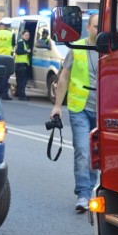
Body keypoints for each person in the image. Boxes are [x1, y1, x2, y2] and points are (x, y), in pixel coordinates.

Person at [51, 12, 99, 212]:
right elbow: (63, 78)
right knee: (82, 150)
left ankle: (92, 188)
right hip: (79, 108)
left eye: (102, 26)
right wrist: (56, 106)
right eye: (96, 26)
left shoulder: (110, 49)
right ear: (88, 28)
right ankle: (83, 194)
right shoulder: (77, 47)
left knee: (96, 154)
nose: (100, 30)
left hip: (102, 109)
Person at [13, 30, 32, 101]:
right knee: (22, 81)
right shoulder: (21, 42)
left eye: (28, 35)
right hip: (21, 63)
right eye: (26, 35)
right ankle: (22, 96)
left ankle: (21, 95)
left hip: (23, 63)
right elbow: (18, 51)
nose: (27, 36)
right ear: (22, 35)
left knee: (21, 80)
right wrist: (27, 51)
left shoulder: (25, 42)